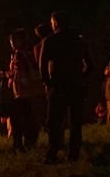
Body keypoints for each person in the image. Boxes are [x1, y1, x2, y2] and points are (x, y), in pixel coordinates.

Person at [38, 11, 93, 163]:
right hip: (76, 84)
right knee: (75, 121)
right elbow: (89, 65)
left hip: (58, 85)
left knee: (53, 121)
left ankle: (53, 152)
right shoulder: (78, 40)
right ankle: (73, 153)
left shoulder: (50, 41)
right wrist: (81, 77)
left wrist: (48, 83)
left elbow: (42, 66)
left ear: (55, 22)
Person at [5, 29, 44, 153]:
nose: (11, 43)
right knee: (27, 118)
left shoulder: (20, 54)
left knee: (22, 118)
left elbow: (21, 72)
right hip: (26, 91)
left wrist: (11, 76)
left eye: (13, 41)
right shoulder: (28, 53)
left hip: (23, 92)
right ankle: (26, 142)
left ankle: (23, 143)